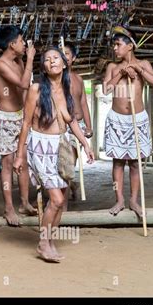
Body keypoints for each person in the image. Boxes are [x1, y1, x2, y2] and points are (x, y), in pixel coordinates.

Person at [13, 47, 94, 262]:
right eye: (47, 60)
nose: (52, 62)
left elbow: (71, 120)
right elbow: (26, 122)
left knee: (60, 199)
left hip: (60, 146)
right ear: (44, 67)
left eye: (56, 58)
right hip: (39, 148)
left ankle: (49, 242)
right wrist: (20, 155)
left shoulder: (67, 89)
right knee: (56, 199)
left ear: (65, 63)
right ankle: (42, 243)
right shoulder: (36, 89)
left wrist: (86, 145)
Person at [103, 26, 153, 217]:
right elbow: (106, 90)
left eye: (118, 45)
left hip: (137, 119)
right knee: (118, 163)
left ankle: (134, 200)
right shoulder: (112, 67)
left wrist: (138, 70)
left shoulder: (144, 63)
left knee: (135, 163)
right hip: (117, 120)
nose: (115, 49)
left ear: (130, 47)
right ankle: (119, 200)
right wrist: (121, 72)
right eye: (114, 45)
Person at [0, 25, 37, 226]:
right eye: (21, 40)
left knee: (24, 160)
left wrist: (31, 114)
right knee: (8, 164)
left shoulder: (18, 61)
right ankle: (9, 208)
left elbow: (26, 91)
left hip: (20, 117)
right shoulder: (0, 64)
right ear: (12, 44)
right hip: (5, 119)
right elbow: (23, 84)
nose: (24, 44)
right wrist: (30, 60)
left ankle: (24, 203)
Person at [62, 42, 93, 206]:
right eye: (60, 53)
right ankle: (72, 187)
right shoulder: (54, 80)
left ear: (73, 58)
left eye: (67, 53)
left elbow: (84, 104)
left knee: (68, 164)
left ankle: (64, 204)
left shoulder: (78, 79)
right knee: (59, 166)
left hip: (76, 127)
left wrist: (89, 126)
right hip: (59, 127)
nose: (63, 56)